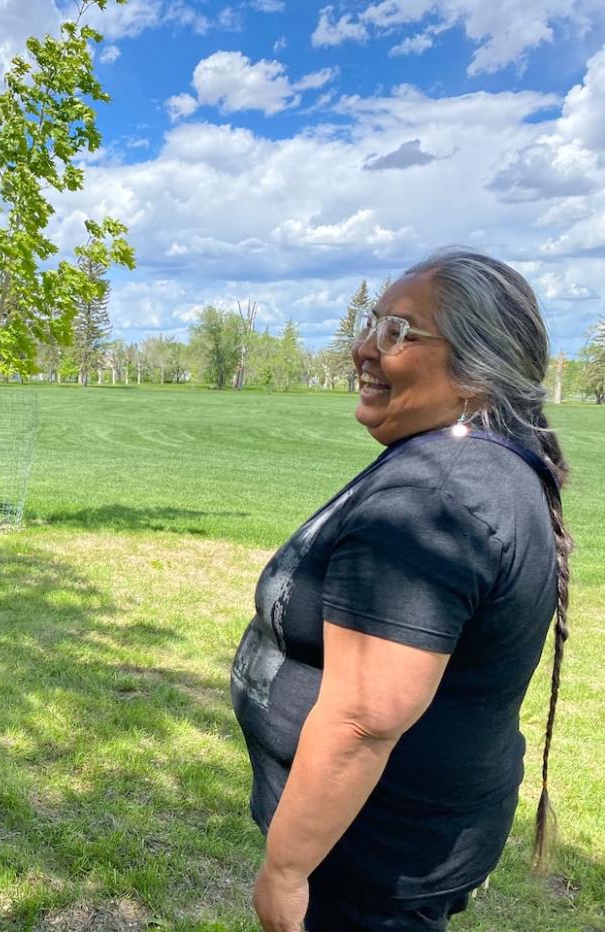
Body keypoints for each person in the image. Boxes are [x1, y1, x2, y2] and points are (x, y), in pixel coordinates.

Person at [230, 248, 572, 931]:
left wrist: (288, 869)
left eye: (396, 333)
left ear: (475, 371)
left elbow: (362, 721)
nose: (363, 347)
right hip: (388, 846)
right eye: (370, 323)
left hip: (369, 863)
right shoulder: (470, 465)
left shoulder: (435, 497)